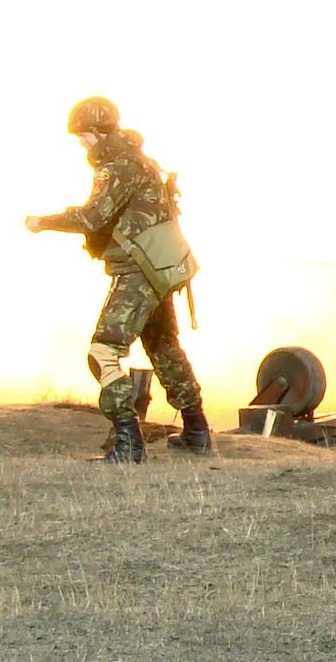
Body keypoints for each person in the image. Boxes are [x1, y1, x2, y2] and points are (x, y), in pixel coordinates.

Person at [24, 97, 208, 463]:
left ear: (95, 132)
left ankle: (127, 443)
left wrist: (43, 222)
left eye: (82, 137)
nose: (81, 144)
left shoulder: (118, 167)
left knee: (103, 352)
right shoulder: (141, 161)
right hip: (159, 269)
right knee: (163, 347)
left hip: (138, 272)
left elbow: (92, 217)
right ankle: (197, 432)